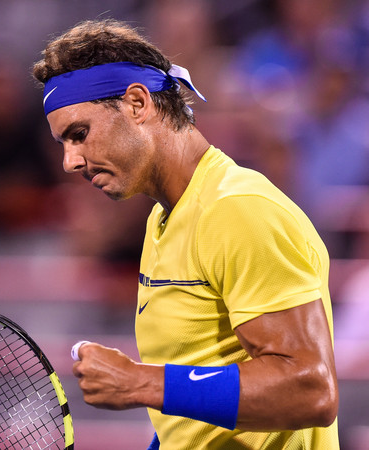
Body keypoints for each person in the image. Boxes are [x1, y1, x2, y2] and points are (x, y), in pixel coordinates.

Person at [32, 19, 339, 449]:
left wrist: (141, 383)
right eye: (63, 143)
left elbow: (310, 388)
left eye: (79, 135)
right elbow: (195, 419)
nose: (70, 161)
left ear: (137, 103)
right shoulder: (165, 217)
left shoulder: (237, 208)